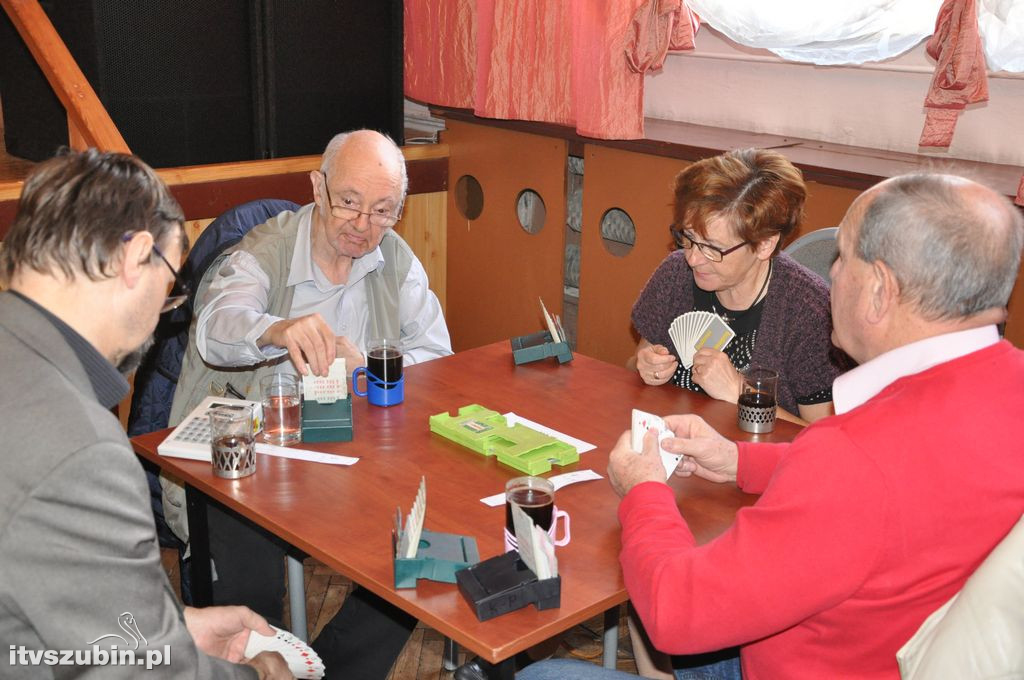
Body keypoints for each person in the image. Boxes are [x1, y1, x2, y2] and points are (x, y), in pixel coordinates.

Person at [519, 172, 1024, 680]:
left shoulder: (850, 460)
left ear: (879, 290)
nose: (831, 275)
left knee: (543, 677)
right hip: (875, 634)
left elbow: (674, 612)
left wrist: (644, 491)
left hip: (798, 660)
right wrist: (739, 460)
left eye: (842, 258)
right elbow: (897, 478)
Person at [161, 129, 452, 680]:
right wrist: (278, 329)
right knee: (249, 602)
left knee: (421, 548)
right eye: (349, 202)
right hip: (251, 458)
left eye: (383, 210)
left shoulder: (395, 260)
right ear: (317, 189)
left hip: (357, 454)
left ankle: (331, 671)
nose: (363, 224)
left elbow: (439, 359)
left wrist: (369, 367)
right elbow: (216, 327)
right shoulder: (263, 251)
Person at [0, 148, 291, 678]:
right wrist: (261, 675)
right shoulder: (82, 450)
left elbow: (50, 591)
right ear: (136, 256)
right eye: (172, 287)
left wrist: (170, 625)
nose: (165, 312)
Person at [629, 148, 844, 424]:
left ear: (764, 244)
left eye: (713, 248)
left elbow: (822, 438)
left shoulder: (808, 312)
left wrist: (740, 392)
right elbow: (634, 364)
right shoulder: (675, 274)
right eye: (689, 238)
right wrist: (646, 367)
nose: (693, 258)